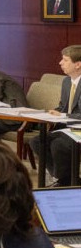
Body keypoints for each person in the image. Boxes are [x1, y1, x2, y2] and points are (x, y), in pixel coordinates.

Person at [32, 45, 81, 187]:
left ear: (78, 64)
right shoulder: (66, 82)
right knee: (37, 141)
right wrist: (51, 114)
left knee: (58, 145)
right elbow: (62, 107)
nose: (60, 63)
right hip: (67, 128)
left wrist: (63, 115)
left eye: (65, 60)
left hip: (78, 128)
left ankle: (64, 181)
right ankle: (65, 179)